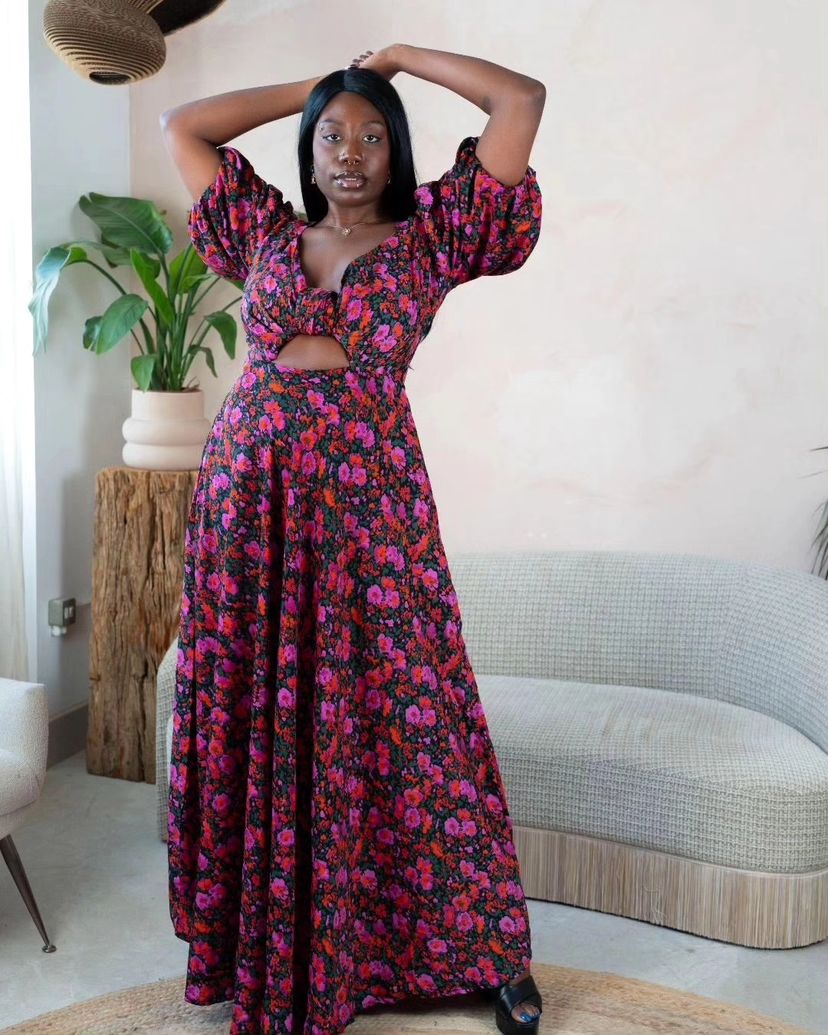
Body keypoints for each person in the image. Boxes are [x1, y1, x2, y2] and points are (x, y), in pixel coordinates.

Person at [162, 41, 544, 1035]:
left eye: (373, 134)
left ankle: (491, 951)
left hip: (369, 520)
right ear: (308, 146)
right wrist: (322, 85)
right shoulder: (261, 232)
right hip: (250, 509)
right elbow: (185, 128)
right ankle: (270, 942)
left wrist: (401, 60)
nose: (350, 150)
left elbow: (521, 100)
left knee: (417, 725)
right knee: (260, 720)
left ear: (395, 152)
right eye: (332, 134)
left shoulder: (434, 238)